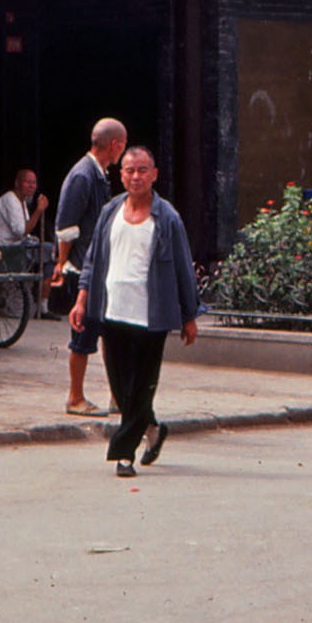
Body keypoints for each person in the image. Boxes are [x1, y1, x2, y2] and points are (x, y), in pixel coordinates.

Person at [68, 146, 200, 478]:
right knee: (119, 382)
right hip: (111, 310)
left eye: (142, 170)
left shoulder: (167, 217)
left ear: (154, 174)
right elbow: (93, 259)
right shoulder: (110, 210)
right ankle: (152, 428)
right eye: (129, 170)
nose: (136, 176)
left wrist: (189, 315)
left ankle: (123, 454)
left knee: (141, 385)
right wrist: (82, 300)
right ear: (121, 174)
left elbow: (184, 268)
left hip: (151, 315)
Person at [52, 118, 128, 416]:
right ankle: (75, 397)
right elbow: (66, 228)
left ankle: (117, 396)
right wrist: (61, 263)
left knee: (110, 333)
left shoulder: (98, 175)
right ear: (115, 145)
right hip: (84, 269)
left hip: (99, 268)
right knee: (82, 335)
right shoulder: (82, 176)